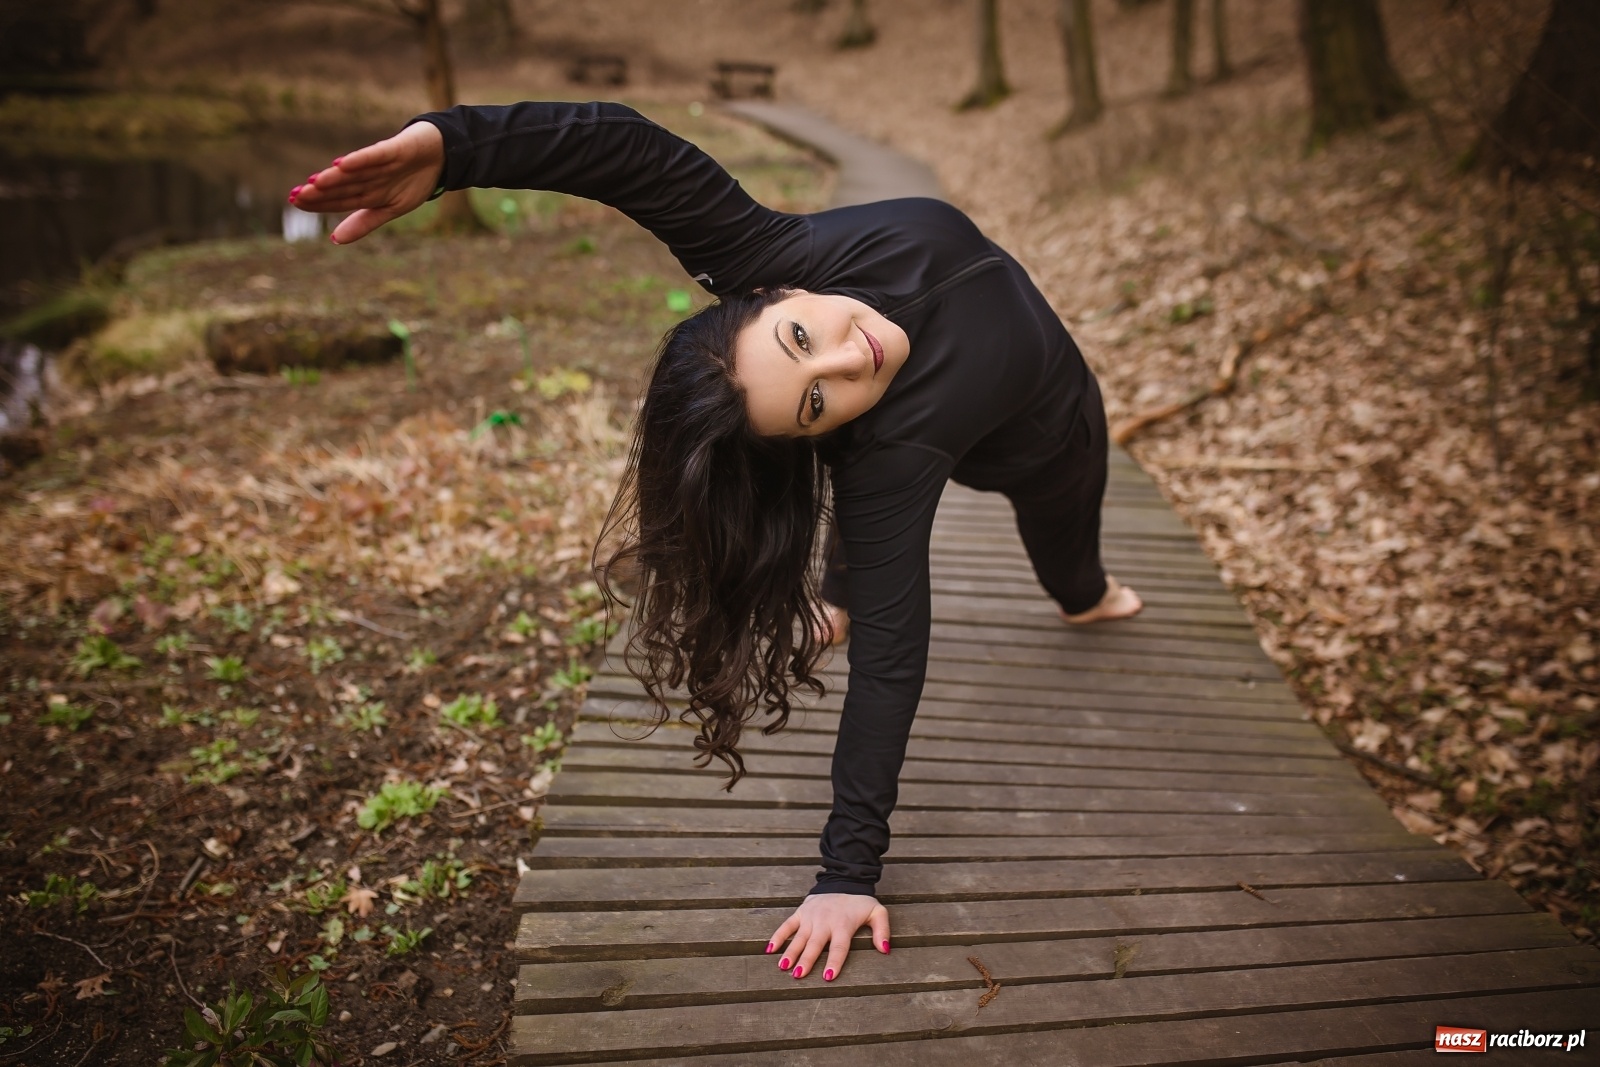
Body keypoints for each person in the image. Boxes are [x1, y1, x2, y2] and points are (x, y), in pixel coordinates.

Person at [290, 99, 1141, 985]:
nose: (851, 359)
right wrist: (845, 875)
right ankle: (1017, 593)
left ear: (776, 297)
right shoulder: (885, 452)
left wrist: (454, 150)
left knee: (1062, 557)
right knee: (911, 501)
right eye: (814, 400)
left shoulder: (780, 255)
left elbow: (628, 153)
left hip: (1055, 428)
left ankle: (1042, 592)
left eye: (801, 338)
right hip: (984, 450)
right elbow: (893, 661)